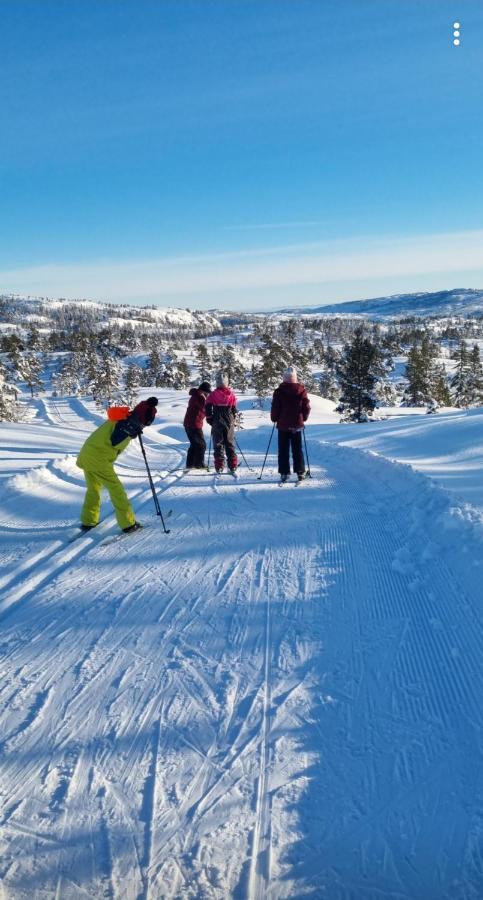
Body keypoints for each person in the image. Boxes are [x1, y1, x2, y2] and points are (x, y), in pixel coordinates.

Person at [76, 396, 158, 533]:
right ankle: (128, 524)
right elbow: (116, 442)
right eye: (147, 423)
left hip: (87, 454)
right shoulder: (128, 425)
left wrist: (133, 431)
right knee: (117, 491)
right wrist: (132, 432)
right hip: (98, 459)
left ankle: (88, 521)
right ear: (145, 420)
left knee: (93, 489)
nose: (145, 426)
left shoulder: (123, 417)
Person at [270, 367, 310, 482]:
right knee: (297, 449)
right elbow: (306, 407)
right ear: (295, 378)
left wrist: (274, 418)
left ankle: (284, 473)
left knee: (283, 449)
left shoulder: (279, 391)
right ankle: (300, 472)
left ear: (284, 378)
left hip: (283, 425)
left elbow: (275, 407)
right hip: (297, 425)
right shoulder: (301, 390)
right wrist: (304, 418)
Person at [205, 374, 238, 474]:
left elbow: (207, 406)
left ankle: (219, 465)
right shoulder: (231, 394)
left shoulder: (213, 394)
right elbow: (234, 409)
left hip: (217, 419)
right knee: (230, 442)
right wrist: (233, 419)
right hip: (229, 419)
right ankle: (232, 465)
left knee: (218, 443)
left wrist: (209, 418)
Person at [183, 381, 211, 469]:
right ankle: (199, 464)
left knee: (194, 444)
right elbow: (205, 408)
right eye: (207, 392)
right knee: (201, 445)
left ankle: (190, 464)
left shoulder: (195, 395)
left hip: (189, 423)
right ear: (204, 391)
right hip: (194, 424)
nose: (208, 394)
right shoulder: (199, 397)